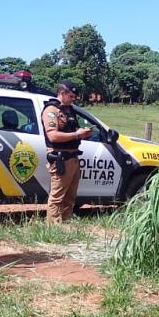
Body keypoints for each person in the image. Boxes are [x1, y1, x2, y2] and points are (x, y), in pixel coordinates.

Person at [41, 80, 93, 223]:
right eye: (70, 96)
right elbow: (52, 135)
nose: (73, 100)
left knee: (70, 196)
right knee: (57, 196)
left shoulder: (69, 109)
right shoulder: (51, 110)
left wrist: (84, 133)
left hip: (73, 157)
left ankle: (66, 222)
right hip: (60, 158)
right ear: (62, 93)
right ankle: (53, 227)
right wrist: (77, 135)